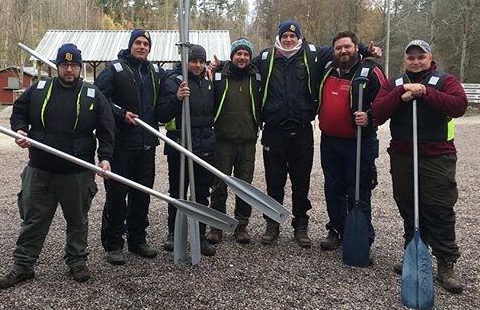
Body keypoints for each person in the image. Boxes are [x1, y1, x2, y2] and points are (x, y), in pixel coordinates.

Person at [0, 43, 114, 288]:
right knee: (33, 220)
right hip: (40, 169)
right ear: (57, 66)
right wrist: (20, 130)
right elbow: (19, 111)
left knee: (78, 220)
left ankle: (77, 262)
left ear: (80, 68)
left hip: (77, 172)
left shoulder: (92, 94)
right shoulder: (39, 89)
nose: (69, 70)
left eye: (73, 65)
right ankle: (23, 266)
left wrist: (105, 157)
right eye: (64, 65)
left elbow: (106, 128)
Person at [254, 20, 380, 247]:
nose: (289, 40)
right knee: (274, 182)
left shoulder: (312, 54)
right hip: (274, 131)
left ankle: (300, 225)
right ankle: (272, 223)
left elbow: (343, 49)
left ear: (299, 38)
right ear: (279, 38)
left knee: (301, 182)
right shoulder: (265, 57)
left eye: (293, 36)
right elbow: (242, 64)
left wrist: (365, 50)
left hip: (301, 130)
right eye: (285, 36)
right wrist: (216, 67)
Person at [371, 39, 467, 293]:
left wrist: (425, 92)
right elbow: (377, 113)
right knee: (408, 204)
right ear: (405, 60)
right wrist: (399, 96)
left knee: (439, 208)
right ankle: (415, 250)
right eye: (411, 58)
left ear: (429, 58)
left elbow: (459, 106)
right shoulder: (394, 83)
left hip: (437, 155)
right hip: (403, 154)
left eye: (420, 57)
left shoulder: (445, 81)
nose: (415, 62)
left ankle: (446, 262)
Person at [95, 29, 164, 265]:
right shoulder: (114, 69)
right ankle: (113, 243)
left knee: (142, 194)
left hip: (146, 145)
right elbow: (99, 98)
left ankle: (138, 240)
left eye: (146, 44)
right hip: (121, 145)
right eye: (138, 42)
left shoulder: (153, 71)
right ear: (131, 44)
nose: (142, 47)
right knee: (116, 196)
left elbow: (174, 79)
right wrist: (120, 114)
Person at [317, 31, 386, 254]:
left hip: (359, 143)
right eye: (339, 48)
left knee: (358, 191)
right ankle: (336, 229)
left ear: (357, 47)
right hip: (330, 142)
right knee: (332, 188)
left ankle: (362, 238)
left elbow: (385, 103)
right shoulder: (327, 68)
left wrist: (370, 117)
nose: (343, 51)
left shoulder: (372, 71)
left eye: (347, 47)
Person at [156, 44, 216, 256]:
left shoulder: (210, 82)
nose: (197, 65)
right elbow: (162, 114)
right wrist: (177, 98)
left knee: (201, 194)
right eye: (193, 61)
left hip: (205, 146)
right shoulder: (173, 81)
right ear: (186, 61)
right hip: (179, 145)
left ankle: (200, 236)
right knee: (178, 192)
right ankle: (174, 233)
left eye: (201, 61)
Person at [206, 38, 262, 245]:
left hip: (247, 140)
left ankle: (241, 226)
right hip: (222, 140)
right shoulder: (219, 76)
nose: (242, 57)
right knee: (219, 185)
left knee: (244, 186)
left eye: (246, 54)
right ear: (232, 56)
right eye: (238, 54)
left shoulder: (256, 77)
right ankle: (217, 226)